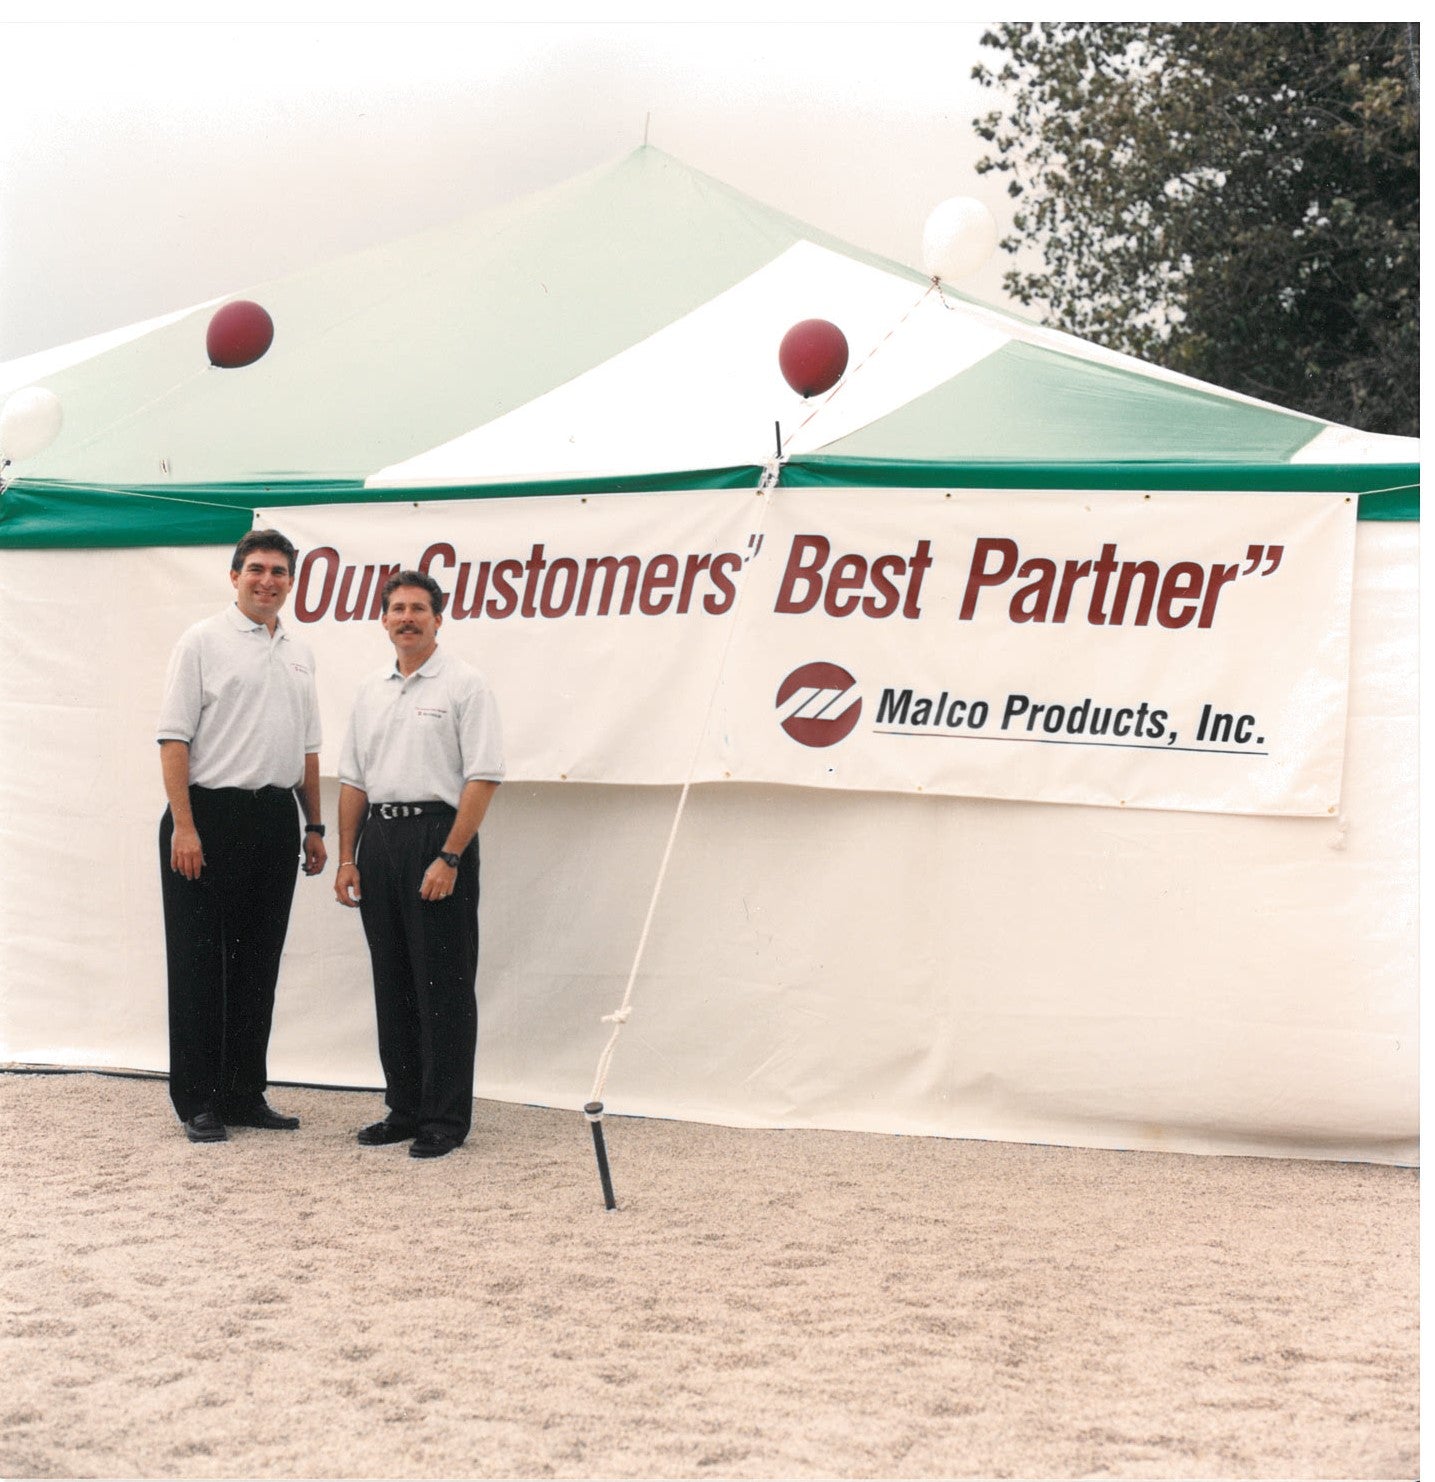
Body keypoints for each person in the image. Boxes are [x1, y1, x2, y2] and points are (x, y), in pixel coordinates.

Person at [157, 529, 327, 1144]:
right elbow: (174, 737)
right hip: (205, 819)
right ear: (234, 576)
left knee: (257, 961)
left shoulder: (300, 652)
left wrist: (314, 824)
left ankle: (242, 1091)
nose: (268, 580)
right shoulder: (202, 641)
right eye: (256, 568)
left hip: (273, 819)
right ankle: (197, 1100)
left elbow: (308, 748)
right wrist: (184, 823)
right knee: (201, 962)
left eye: (280, 571)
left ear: (290, 582)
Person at [335, 569, 503, 1160]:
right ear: (383, 619)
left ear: (439, 617)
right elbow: (354, 779)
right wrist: (347, 860)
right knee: (394, 980)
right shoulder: (370, 690)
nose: (407, 617)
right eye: (397, 608)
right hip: (379, 840)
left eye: (419, 608)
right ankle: (404, 1108)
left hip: (439, 836)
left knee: (444, 983)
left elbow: (482, 777)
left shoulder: (464, 685)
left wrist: (450, 855)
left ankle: (444, 1118)